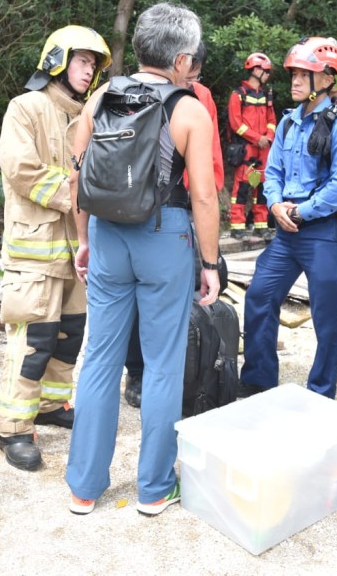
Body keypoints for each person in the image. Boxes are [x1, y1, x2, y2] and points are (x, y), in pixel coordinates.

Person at [65, 2, 221, 516]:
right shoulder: (189, 110)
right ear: (181, 60)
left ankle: (84, 487)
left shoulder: (100, 99)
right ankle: (153, 488)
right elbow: (203, 195)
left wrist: (84, 239)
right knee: (162, 364)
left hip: (107, 235)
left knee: (100, 359)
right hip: (164, 236)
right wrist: (210, 263)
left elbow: (77, 177)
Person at [0, 26, 111, 471]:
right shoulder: (25, 108)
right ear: (57, 61)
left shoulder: (88, 116)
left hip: (75, 251)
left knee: (69, 335)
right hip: (34, 251)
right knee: (33, 341)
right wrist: (80, 195)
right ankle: (12, 428)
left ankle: (52, 405)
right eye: (82, 61)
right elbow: (20, 169)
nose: (88, 70)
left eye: (93, 64)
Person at [239, 37, 337, 400]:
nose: (294, 80)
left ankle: (321, 392)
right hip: (287, 231)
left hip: (325, 231)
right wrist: (275, 205)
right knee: (260, 295)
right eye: (293, 73)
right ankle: (258, 379)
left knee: (326, 314)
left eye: (303, 74)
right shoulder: (288, 123)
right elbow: (273, 172)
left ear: (326, 78)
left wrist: (301, 211)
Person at [122, 40, 223, 409]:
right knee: (136, 298)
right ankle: (137, 371)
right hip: (141, 207)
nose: (189, 80)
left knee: (182, 296)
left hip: (182, 210)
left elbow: (211, 163)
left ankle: (186, 371)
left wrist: (201, 213)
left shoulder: (200, 99)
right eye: (187, 73)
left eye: (195, 76)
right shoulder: (132, 92)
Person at [227, 52, 276, 240]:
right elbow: (236, 124)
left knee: (262, 188)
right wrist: (257, 138)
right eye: (266, 71)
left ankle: (261, 225)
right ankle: (237, 227)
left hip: (264, 149)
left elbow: (272, 120)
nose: (268, 75)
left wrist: (268, 137)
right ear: (256, 70)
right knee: (242, 188)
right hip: (246, 148)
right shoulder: (238, 95)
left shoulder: (266, 95)